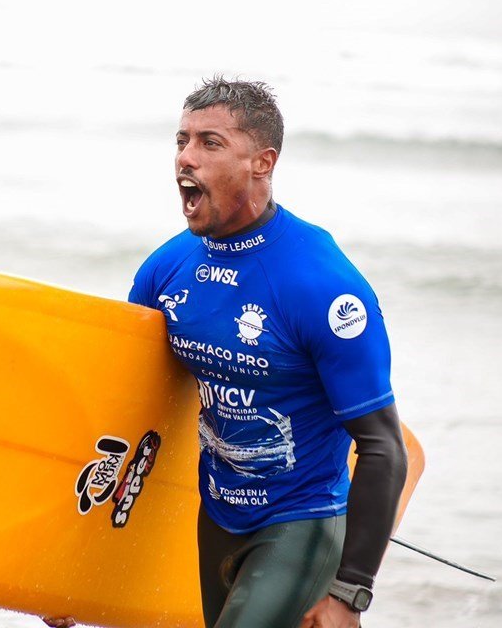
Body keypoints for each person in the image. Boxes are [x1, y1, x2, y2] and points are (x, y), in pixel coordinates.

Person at [45, 77, 407, 628]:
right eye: (181, 140)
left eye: (209, 143)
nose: (185, 159)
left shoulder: (322, 286)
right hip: (214, 516)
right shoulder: (167, 269)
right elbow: (130, 421)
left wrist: (349, 592)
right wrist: (77, 571)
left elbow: (383, 448)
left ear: (262, 161)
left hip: (302, 518)